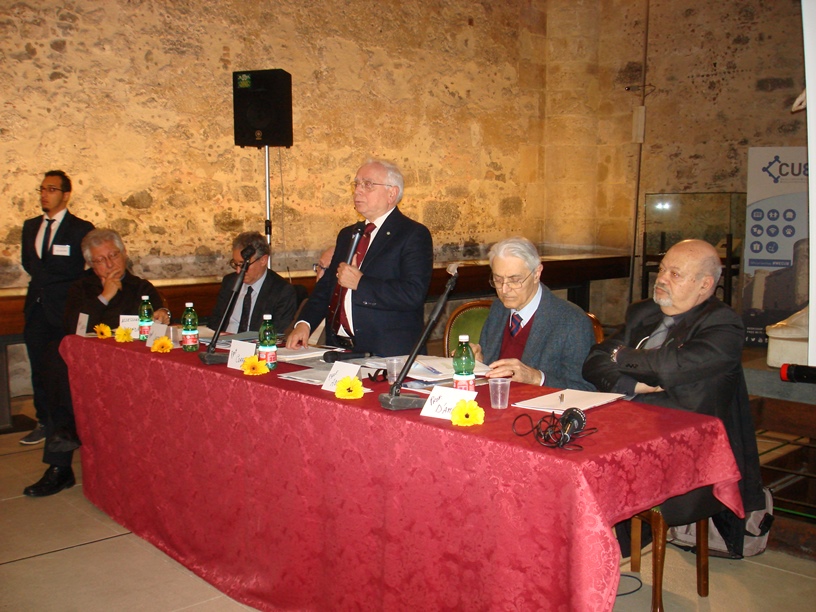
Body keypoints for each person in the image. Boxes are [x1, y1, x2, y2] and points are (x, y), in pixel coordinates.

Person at [582, 239, 764, 556]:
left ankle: (597, 553)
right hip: (625, 427)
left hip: (683, 450)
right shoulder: (643, 312)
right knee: (563, 453)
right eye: (663, 270)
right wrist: (632, 385)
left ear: (704, 284)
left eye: (675, 274)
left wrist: (620, 355)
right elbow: (593, 362)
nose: (662, 279)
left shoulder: (723, 324)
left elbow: (670, 366)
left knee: (589, 474)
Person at [23, 229, 170, 497]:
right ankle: (60, 464)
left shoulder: (141, 288)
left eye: (113, 255)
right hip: (88, 364)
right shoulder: (81, 287)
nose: (110, 264)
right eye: (101, 260)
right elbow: (74, 329)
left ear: (124, 254)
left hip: (128, 364)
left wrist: (162, 314)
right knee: (55, 356)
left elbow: (158, 323)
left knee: (61, 386)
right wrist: (104, 296)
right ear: (91, 264)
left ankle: (64, 436)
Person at [286, 159, 433, 356]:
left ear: (392, 193)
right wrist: (304, 323)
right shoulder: (348, 234)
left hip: (388, 354)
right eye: (356, 184)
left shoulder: (412, 234)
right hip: (339, 349)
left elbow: (412, 294)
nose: (358, 191)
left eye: (368, 184)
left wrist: (361, 283)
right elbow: (327, 287)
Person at [20, 170, 94, 445]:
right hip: (37, 308)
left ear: (65, 195)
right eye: (42, 189)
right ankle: (44, 422)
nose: (44, 194)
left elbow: (87, 269)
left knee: (64, 369)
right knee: (39, 366)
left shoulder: (80, 228)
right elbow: (30, 263)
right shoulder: (30, 227)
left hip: (64, 309)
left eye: (51, 189)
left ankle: (69, 424)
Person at [472, 237, 595, 389]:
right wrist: (479, 362)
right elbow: (493, 369)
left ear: (537, 273)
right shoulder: (499, 309)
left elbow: (586, 389)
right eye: (498, 280)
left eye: (514, 280)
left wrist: (537, 378)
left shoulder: (572, 321)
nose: (504, 289)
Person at [208, 232, 297, 334]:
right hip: (223, 342)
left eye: (243, 265)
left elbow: (277, 334)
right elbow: (215, 322)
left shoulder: (282, 291)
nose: (238, 271)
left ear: (263, 260)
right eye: (235, 264)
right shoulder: (230, 282)